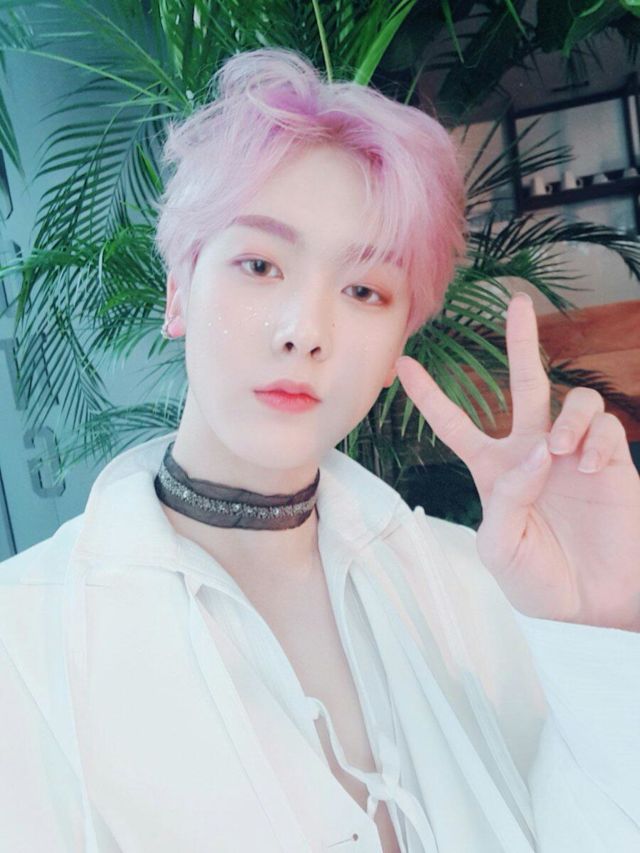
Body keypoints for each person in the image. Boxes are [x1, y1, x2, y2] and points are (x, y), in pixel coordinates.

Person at [0, 46, 638, 853]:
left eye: (365, 289)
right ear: (178, 291)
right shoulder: (23, 643)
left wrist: (598, 623)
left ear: (399, 339)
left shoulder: (477, 586)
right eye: (259, 264)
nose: (305, 329)